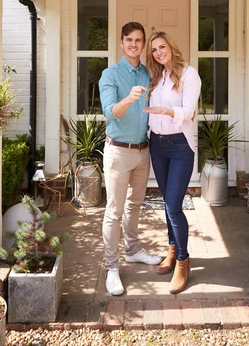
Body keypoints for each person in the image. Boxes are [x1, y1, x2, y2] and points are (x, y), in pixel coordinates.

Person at [99, 22, 163, 296]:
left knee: (135, 204)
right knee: (114, 210)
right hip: (118, 151)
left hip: (142, 150)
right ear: (122, 42)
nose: (134, 44)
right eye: (129, 40)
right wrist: (128, 99)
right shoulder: (110, 74)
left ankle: (133, 250)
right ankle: (112, 268)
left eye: (139, 40)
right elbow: (110, 112)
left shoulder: (148, 73)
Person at [144, 32, 201, 294]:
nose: (158, 52)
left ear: (171, 47)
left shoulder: (189, 74)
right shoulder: (158, 77)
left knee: (174, 206)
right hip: (157, 144)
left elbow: (189, 111)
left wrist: (167, 111)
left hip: (179, 146)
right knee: (167, 202)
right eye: (154, 49)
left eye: (162, 47)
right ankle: (172, 248)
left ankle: (182, 261)